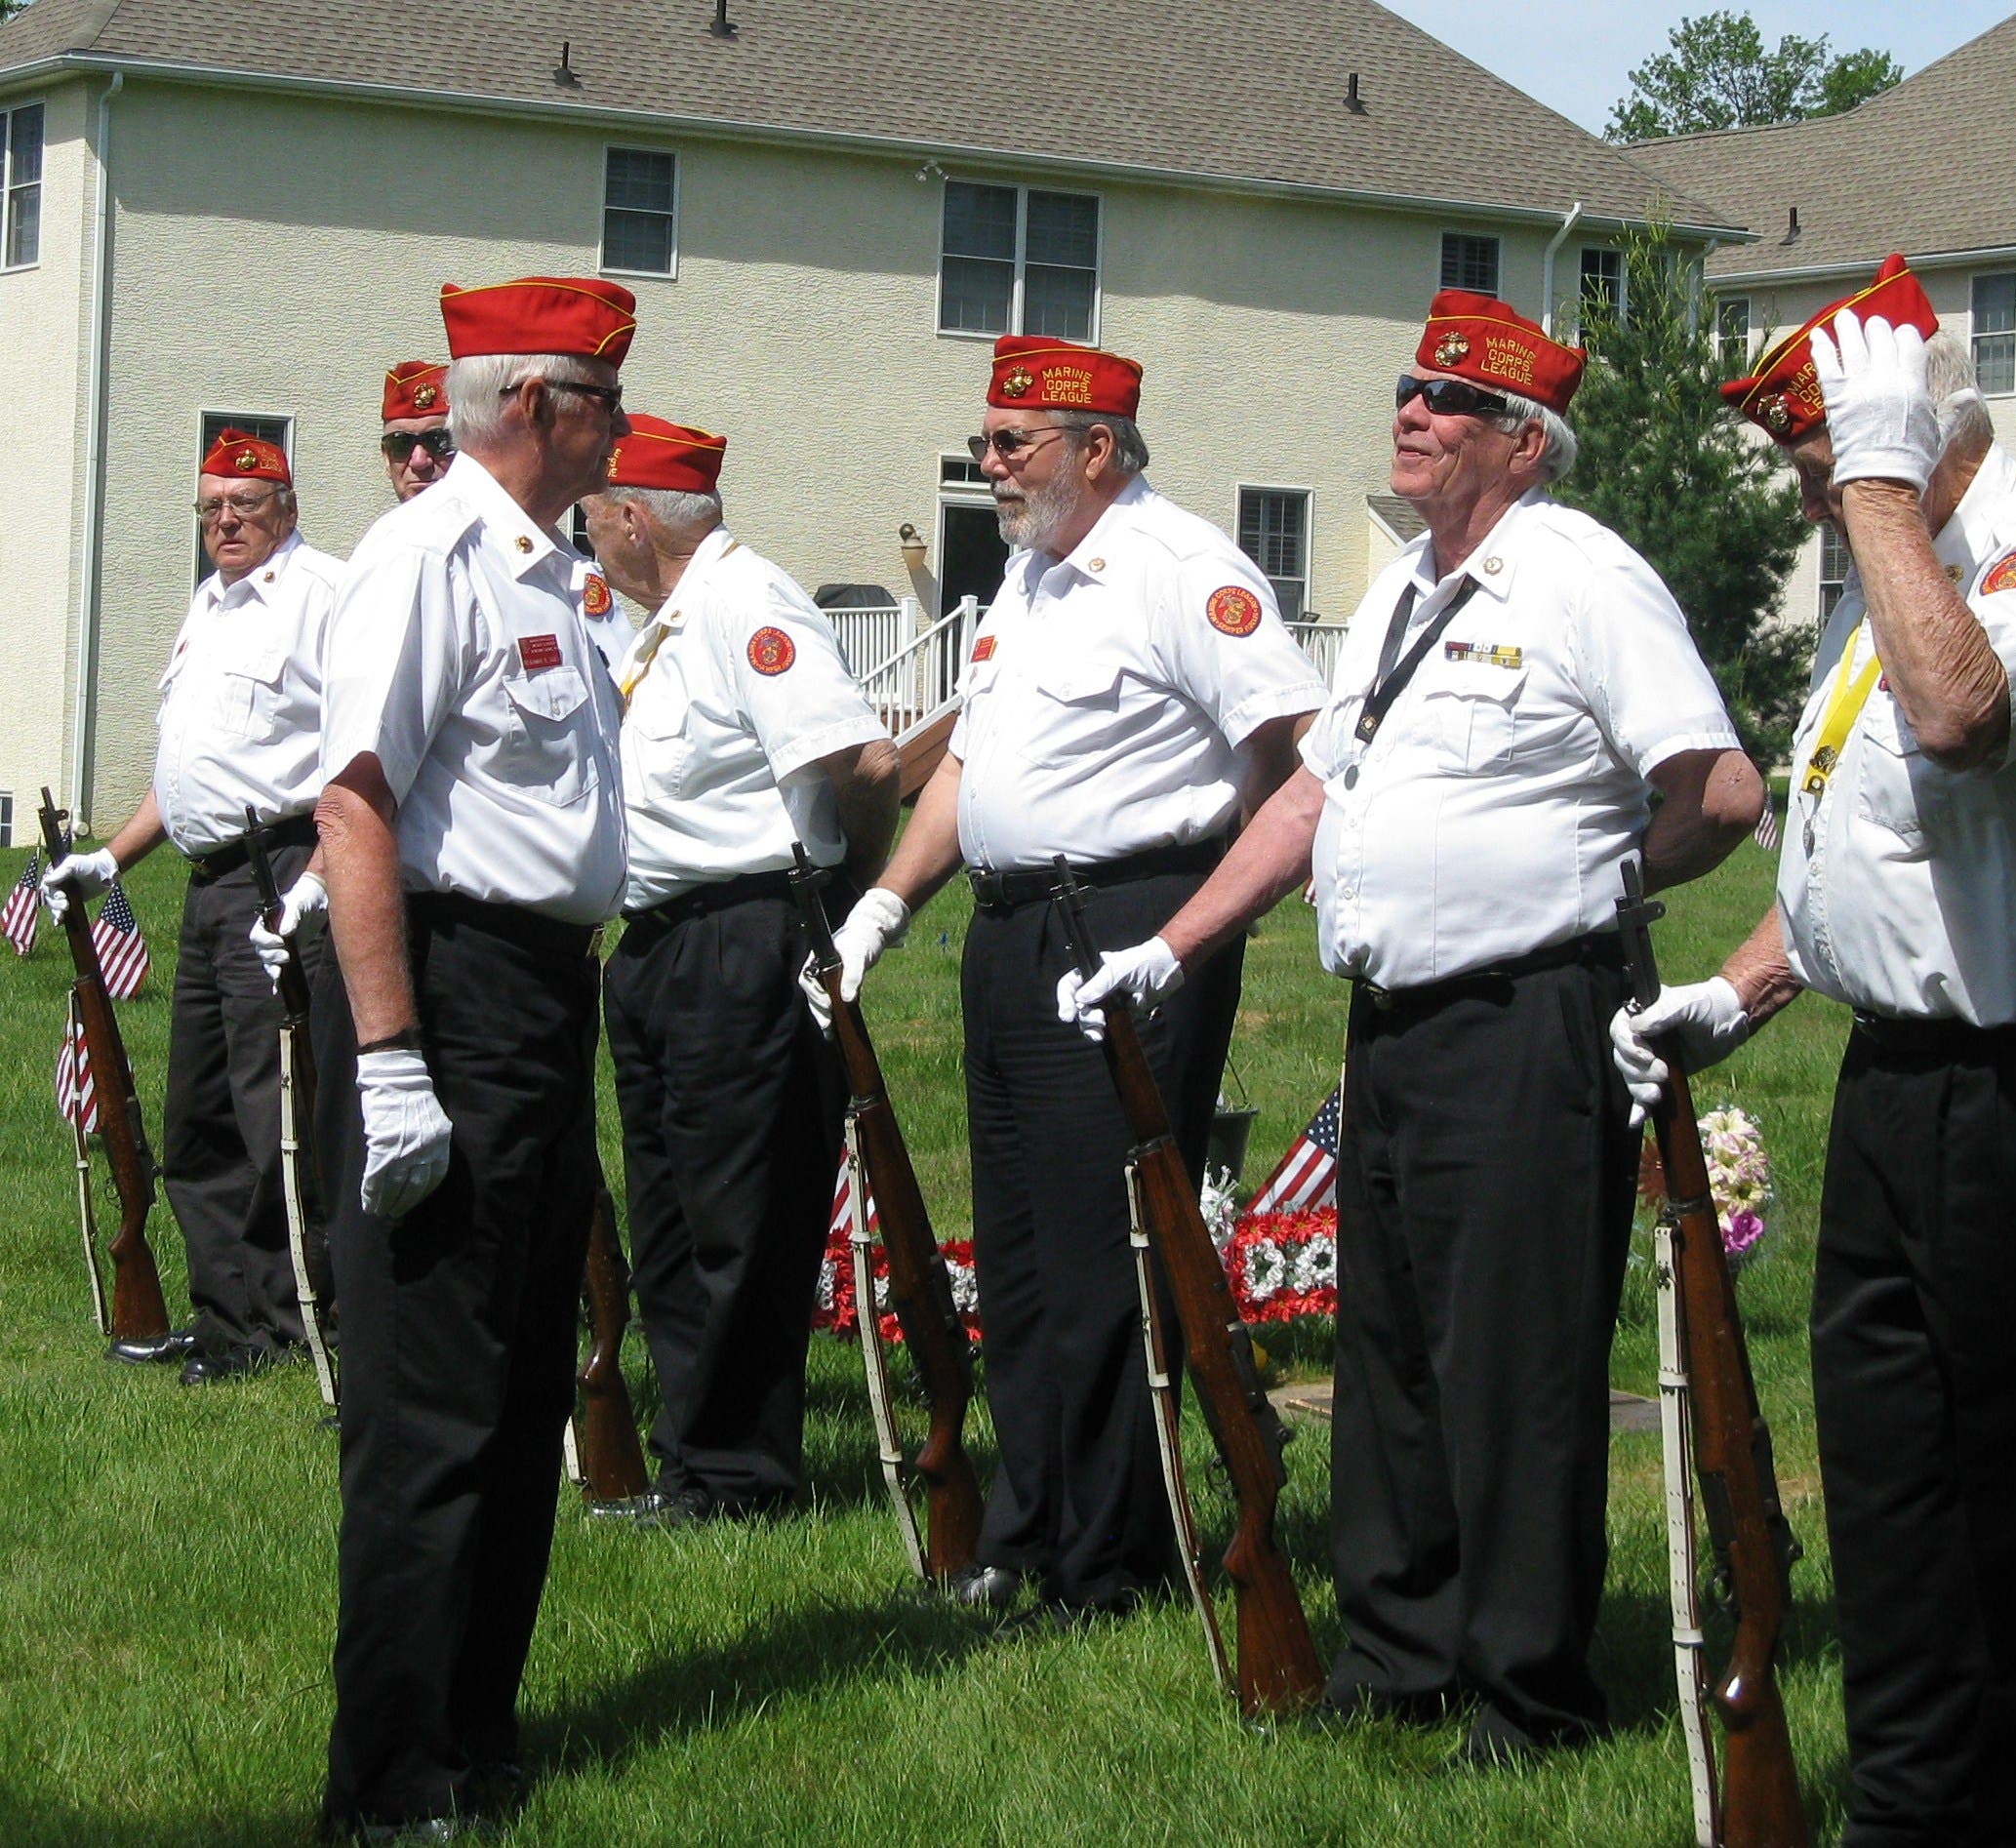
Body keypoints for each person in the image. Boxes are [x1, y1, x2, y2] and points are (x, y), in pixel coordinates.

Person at [1065, 292, 1762, 1762]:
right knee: (1386, 1351)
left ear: (1522, 440)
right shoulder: (1399, 590)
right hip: (1393, 1025)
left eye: (1448, 397)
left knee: (1511, 1358)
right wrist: (1171, 944)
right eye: (1406, 386)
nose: (1412, 411)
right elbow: (1311, 796)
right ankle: (1400, 1652)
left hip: (1526, 1015)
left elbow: (1717, 788)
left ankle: (1529, 1691)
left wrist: (1592, 888)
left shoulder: (1579, 576)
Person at [1612, 254, 2016, 1845]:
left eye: (1820, 461)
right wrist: (1731, 991)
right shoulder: (1886, 576)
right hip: (1900, 1081)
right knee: (1887, 1488)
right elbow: (1861, 866)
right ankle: (1909, 1804)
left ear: (1901, 427)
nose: (1815, 499)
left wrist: (1879, 482)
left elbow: (1957, 715)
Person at [831, 336, 1328, 1624]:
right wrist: (881, 911)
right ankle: (1029, 1521)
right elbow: (966, 769)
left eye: (1013, 443)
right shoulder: (1028, 577)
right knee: (1020, 1253)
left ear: (1097, 448)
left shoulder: (1179, 571)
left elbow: (1289, 744)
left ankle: (1111, 1555)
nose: (987, 465)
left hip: (1126, 919)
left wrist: (1211, 930)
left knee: (1105, 1253)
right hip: (1009, 935)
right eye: (985, 441)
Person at [306, 274, 634, 1839]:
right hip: (444, 989)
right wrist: (386, 1060)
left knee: (518, 1397)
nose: (620, 425)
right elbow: (356, 803)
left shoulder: (546, 568)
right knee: (431, 1408)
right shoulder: (424, 556)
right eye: (602, 399)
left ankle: (474, 1733)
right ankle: (387, 1778)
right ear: (529, 408)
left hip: (542, 997)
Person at [584, 413, 900, 1526]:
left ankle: (743, 1474)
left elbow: (860, 761)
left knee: (740, 1215)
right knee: (667, 1210)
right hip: (661, 942)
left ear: (633, 516)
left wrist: (849, 901)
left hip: (748, 933)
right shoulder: (661, 626)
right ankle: (693, 1458)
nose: (587, 541)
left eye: (592, 517)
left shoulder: (743, 600)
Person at [45, 428, 343, 1380]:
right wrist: (112, 858)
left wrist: (314, 885)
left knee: (276, 1110)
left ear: (286, 508)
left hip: (284, 869)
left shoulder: (320, 598)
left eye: (243, 507)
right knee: (199, 1117)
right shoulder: (208, 605)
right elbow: (188, 772)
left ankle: (297, 1316)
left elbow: (362, 759)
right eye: (211, 509)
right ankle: (227, 1318)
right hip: (208, 884)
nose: (225, 523)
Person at [379, 360, 455, 502]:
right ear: (387, 458)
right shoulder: (385, 525)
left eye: (437, 441)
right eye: (400, 444)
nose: (419, 462)